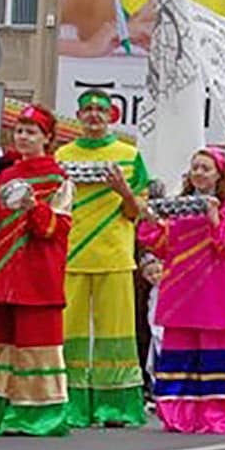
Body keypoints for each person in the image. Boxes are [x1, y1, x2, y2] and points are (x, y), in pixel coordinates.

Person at [0, 105, 75, 436]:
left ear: (47, 138)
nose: (23, 137)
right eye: (19, 131)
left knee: (37, 349)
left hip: (37, 278)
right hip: (0, 276)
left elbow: (55, 229)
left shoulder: (59, 180)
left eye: (31, 132)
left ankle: (36, 416)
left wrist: (34, 206)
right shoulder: (4, 177)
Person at [55, 88, 150, 428]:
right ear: (79, 116)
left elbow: (138, 211)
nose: (94, 115)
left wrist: (123, 190)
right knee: (70, 332)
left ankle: (117, 407)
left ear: (112, 116)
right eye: (87, 109)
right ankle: (71, 405)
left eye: (100, 109)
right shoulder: (63, 156)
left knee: (117, 333)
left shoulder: (129, 154)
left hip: (114, 254)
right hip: (73, 255)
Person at [139, 148, 225, 434]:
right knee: (181, 353)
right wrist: (150, 220)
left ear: (219, 175)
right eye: (195, 168)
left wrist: (215, 220)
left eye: (206, 168)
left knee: (216, 355)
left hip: (216, 293)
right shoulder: (179, 208)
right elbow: (162, 244)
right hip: (181, 293)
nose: (199, 173)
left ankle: (218, 413)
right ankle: (179, 414)